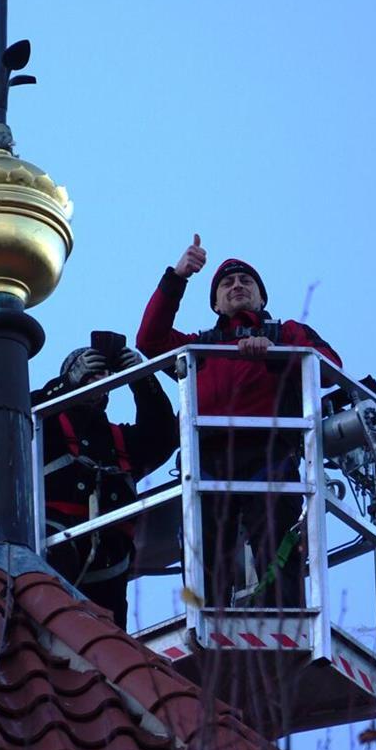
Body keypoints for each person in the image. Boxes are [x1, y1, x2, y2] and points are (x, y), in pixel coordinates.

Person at [136, 235, 342, 608]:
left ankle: (285, 624)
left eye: (246, 281)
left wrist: (275, 354)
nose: (237, 286)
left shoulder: (286, 333)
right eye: (227, 284)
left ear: (262, 298)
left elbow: (330, 367)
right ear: (215, 302)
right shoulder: (200, 348)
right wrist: (177, 277)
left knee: (276, 539)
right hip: (209, 460)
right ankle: (205, 627)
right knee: (205, 550)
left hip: (269, 456)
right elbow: (149, 341)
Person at [35, 338, 178, 629]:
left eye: (102, 375)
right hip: (56, 551)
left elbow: (162, 435)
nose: (96, 381)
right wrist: (66, 385)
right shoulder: (47, 428)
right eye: (88, 372)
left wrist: (142, 379)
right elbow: (17, 411)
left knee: (109, 650)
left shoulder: (121, 441)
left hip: (111, 566)